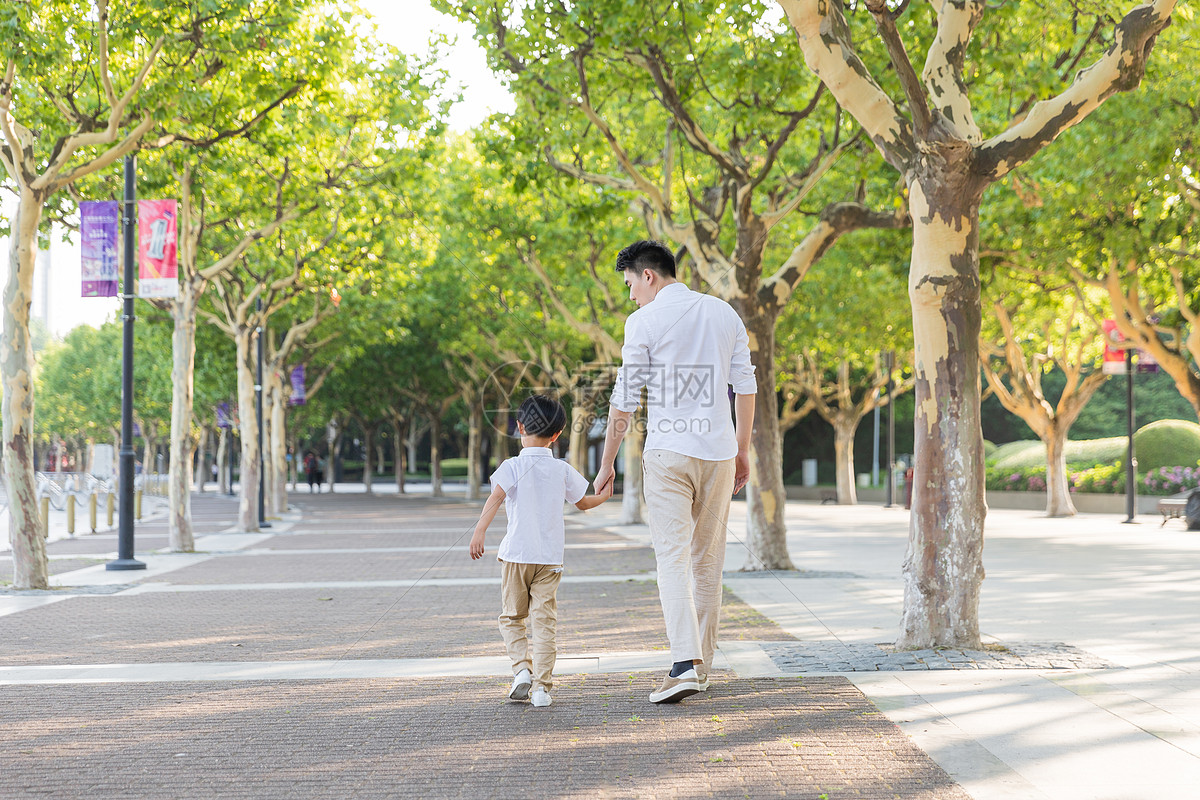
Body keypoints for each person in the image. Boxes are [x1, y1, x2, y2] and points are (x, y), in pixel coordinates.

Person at [593, 240, 756, 705]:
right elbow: (745, 386)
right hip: (720, 453)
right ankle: (700, 667)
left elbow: (624, 398)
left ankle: (683, 664)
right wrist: (742, 450)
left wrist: (607, 464)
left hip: (668, 453)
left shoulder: (643, 320)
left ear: (648, 276)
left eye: (629, 285)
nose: (630, 296)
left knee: (671, 557)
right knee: (708, 560)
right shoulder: (725, 313)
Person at [469, 394, 612, 708]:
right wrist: (605, 495)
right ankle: (542, 689)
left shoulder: (512, 466)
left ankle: (521, 669)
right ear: (558, 434)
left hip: (516, 556)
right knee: (544, 623)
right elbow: (584, 502)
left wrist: (479, 531)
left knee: (511, 618)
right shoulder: (561, 469)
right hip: (549, 560)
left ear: (519, 427)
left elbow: (494, 500)